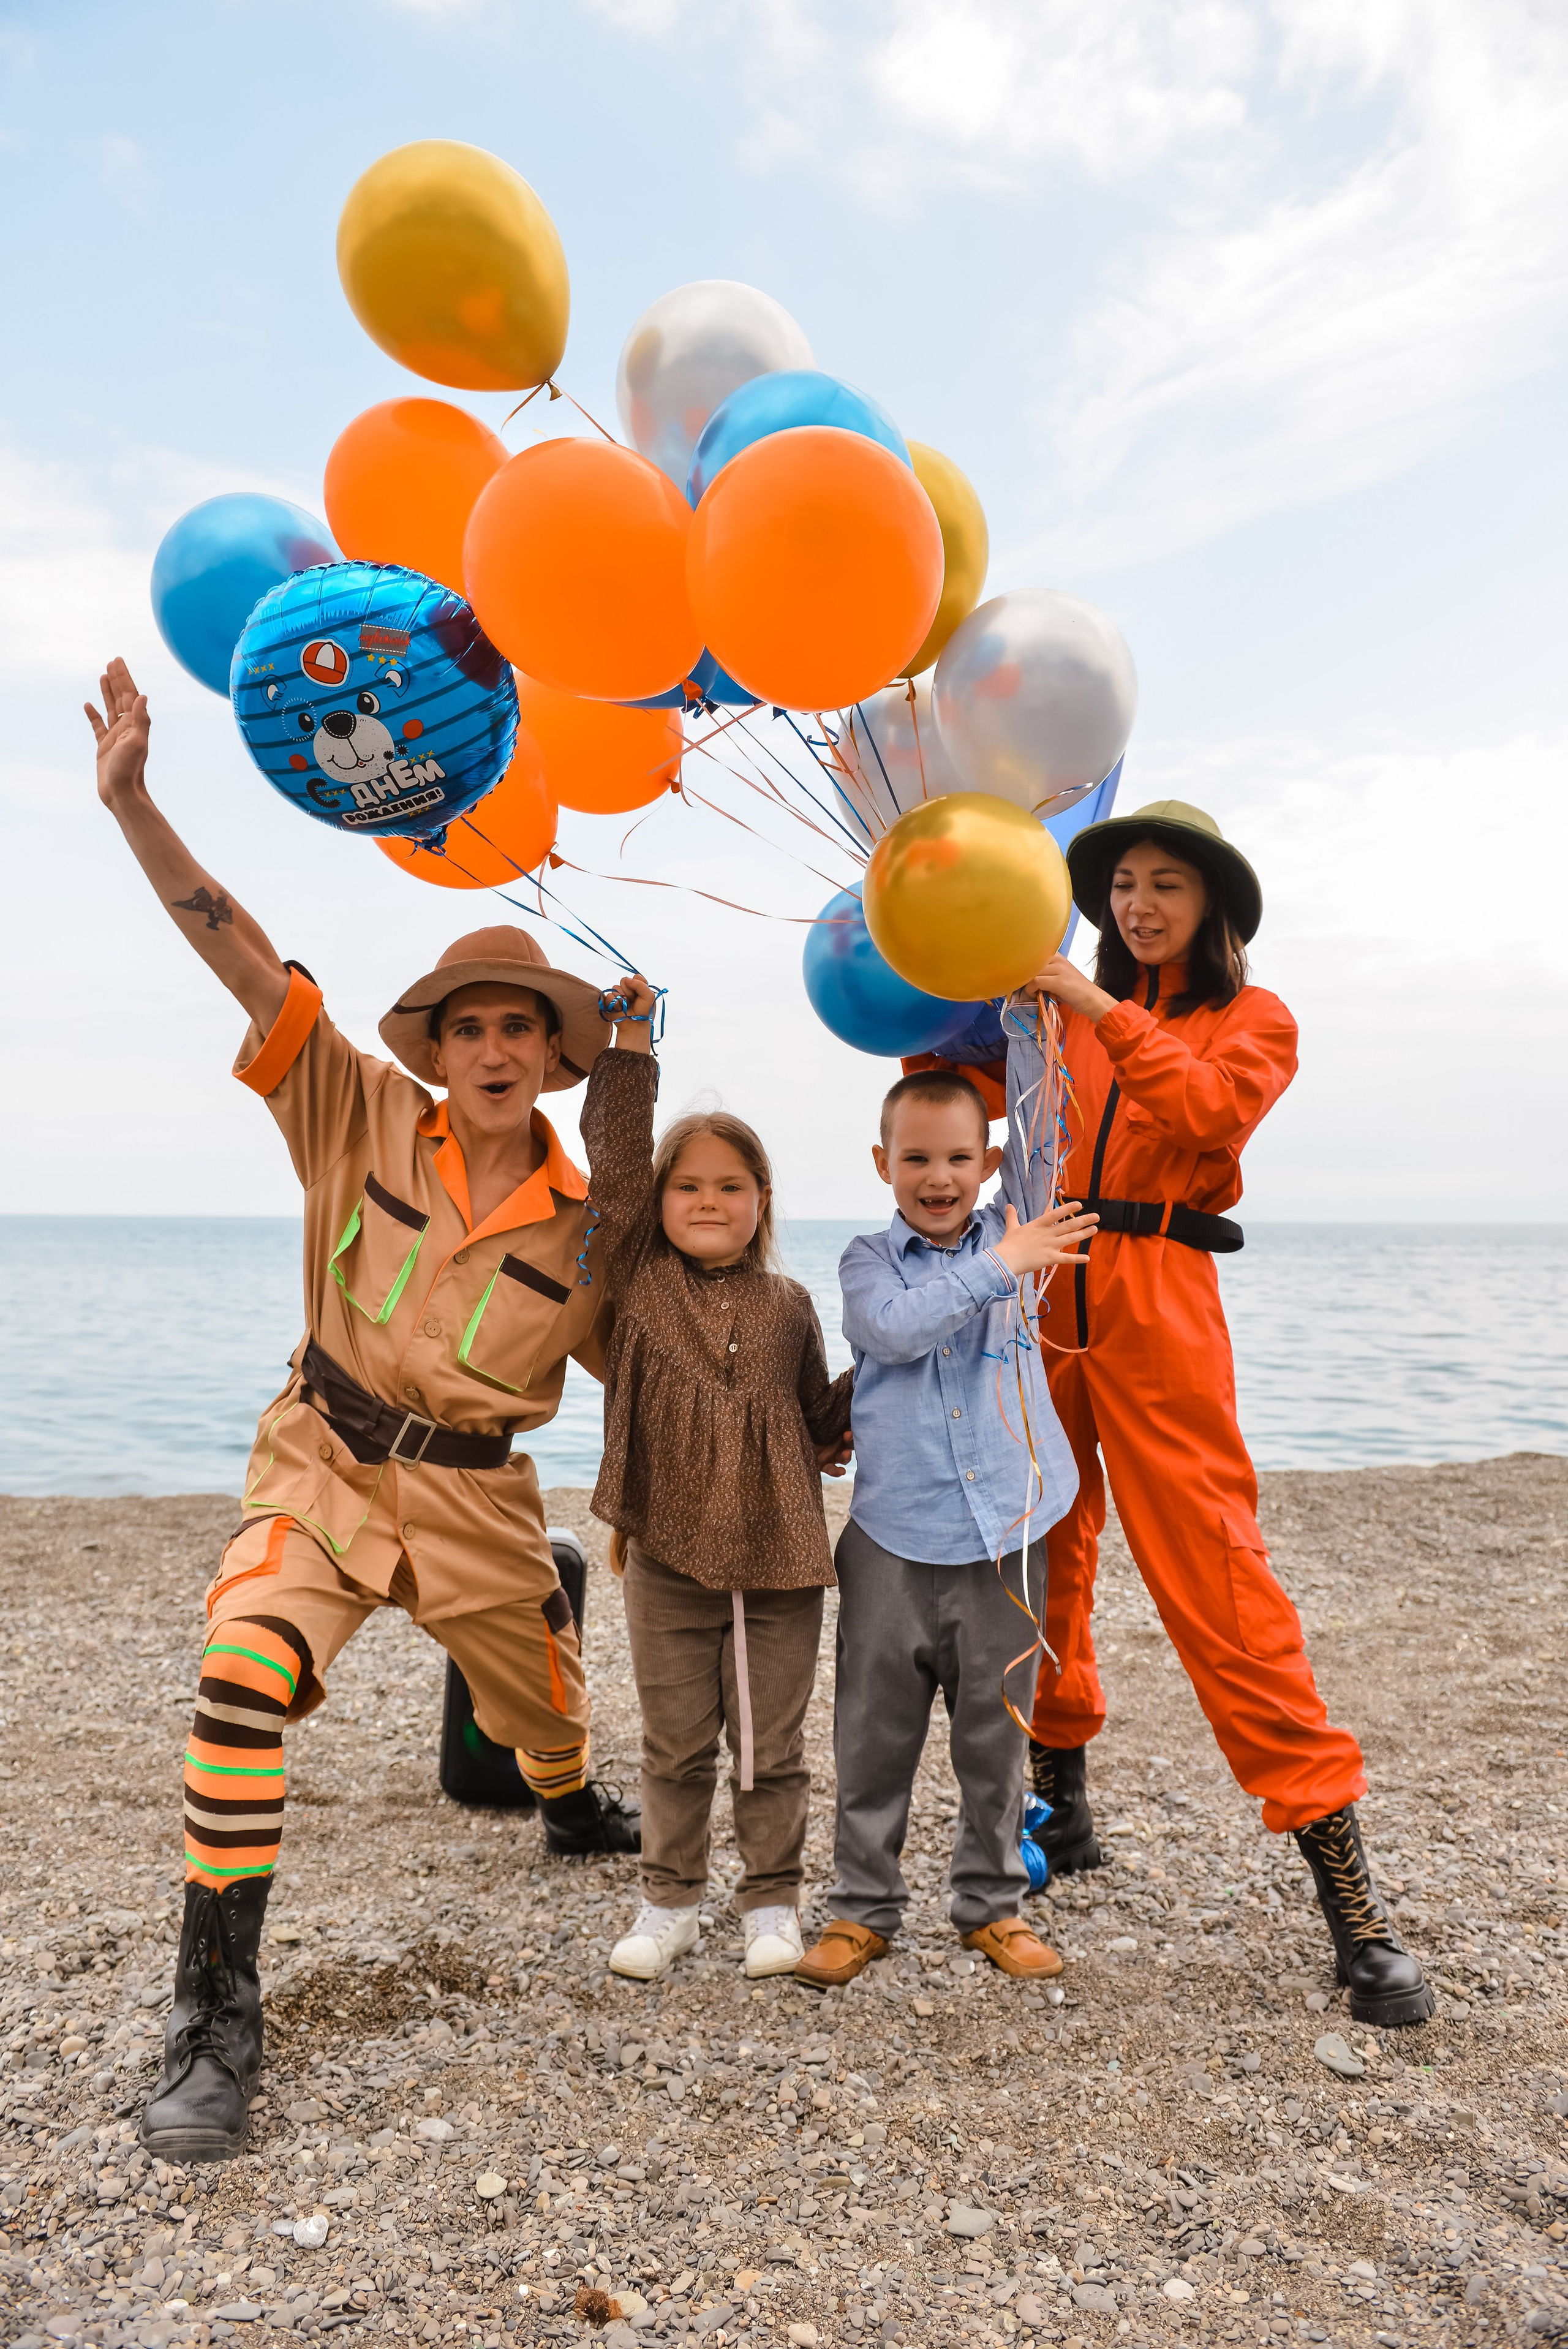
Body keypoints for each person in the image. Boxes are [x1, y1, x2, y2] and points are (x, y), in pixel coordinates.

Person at [85, 657, 640, 2163]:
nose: (499, 1046)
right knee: (240, 1676)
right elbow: (246, 958)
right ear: (437, 1047)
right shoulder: (347, 1106)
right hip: (320, 1462)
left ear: (556, 1057)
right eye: (473, 1024)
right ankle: (215, 2013)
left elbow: (661, 1380)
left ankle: (568, 1792)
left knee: (548, 1736)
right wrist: (138, 807)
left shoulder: (593, 1233)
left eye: (527, 1027)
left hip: (476, 1503)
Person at [936, 797, 1433, 2028]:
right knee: (1040, 1552)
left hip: (1161, 1297)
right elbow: (958, 1086)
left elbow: (1207, 1113)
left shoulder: (1251, 1018)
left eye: (1165, 884)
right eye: (1120, 886)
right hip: (1047, 1281)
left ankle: (1352, 1909)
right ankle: (1067, 1806)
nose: (1136, 906)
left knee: (1216, 1575)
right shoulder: (1053, 1009)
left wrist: (1098, 1007)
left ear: (1211, 905)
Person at [793, 1044, 1099, 1989]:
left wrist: (1024, 1015)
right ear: (882, 1164)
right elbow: (893, 1329)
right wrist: (998, 1265)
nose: (939, 1177)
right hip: (892, 1538)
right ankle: (862, 1910)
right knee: (873, 1735)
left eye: (960, 1158)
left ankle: (990, 1905)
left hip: (1008, 1533)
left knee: (996, 1734)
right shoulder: (866, 1262)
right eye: (917, 1158)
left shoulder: (1023, 1229)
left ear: (989, 1164)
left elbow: (1048, 1129)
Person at [579, 978, 855, 1981]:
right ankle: (670, 1903)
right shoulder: (639, 1282)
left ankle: (771, 1905)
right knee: (676, 1744)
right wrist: (631, 1041)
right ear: (660, 1204)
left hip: (781, 1561)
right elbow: (611, 1162)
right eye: (688, 1186)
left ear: (761, 1201)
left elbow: (823, 1421)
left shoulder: (789, 1304)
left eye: (729, 1187)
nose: (708, 1201)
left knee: (772, 1747)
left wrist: (906, 1350)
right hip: (667, 1555)